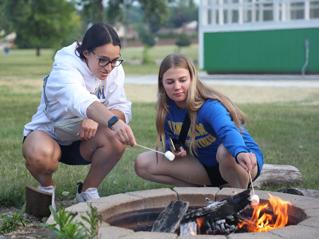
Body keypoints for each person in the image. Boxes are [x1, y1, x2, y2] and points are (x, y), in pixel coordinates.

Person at [22, 23, 136, 213]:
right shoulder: (64, 66)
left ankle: (87, 190)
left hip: (84, 141)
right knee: (41, 156)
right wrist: (104, 118)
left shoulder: (113, 68)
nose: (109, 67)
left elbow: (121, 106)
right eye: (103, 60)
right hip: (49, 134)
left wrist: (101, 119)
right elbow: (79, 99)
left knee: (116, 137)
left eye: (115, 60)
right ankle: (46, 190)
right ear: (86, 53)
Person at [135, 53, 263, 189]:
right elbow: (169, 140)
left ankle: (238, 195)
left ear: (192, 79)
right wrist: (174, 149)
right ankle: (201, 195)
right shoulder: (166, 110)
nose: (177, 87)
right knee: (142, 163)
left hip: (240, 161)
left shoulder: (209, 106)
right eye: (170, 82)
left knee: (225, 152)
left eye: (182, 80)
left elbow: (227, 130)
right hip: (203, 166)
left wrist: (240, 152)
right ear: (162, 83)